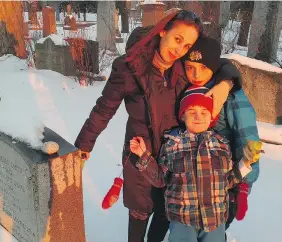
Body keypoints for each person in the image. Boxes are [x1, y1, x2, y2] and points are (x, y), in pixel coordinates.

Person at [74, 10, 242, 242]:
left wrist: (226, 82)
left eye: (187, 46)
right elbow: (104, 109)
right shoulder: (128, 68)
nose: (180, 49)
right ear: (163, 30)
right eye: (178, 39)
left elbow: (218, 62)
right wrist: (84, 145)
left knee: (166, 213)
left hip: (177, 159)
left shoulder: (182, 65)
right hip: (141, 156)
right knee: (140, 213)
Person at [129, 86, 262, 242]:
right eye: (192, 112)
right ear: (183, 116)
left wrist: (246, 163)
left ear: (211, 116)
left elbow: (229, 179)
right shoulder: (173, 144)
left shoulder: (222, 144)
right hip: (182, 218)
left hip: (215, 218)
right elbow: (160, 178)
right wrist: (144, 156)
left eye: (204, 112)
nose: (198, 117)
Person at [180, 36, 260, 231]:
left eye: (203, 68)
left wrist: (243, 187)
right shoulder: (188, 87)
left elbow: (247, 136)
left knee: (216, 228)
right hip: (192, 184)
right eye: (190, 67)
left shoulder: (230, 96)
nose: (196, 74)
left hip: (225, 180)